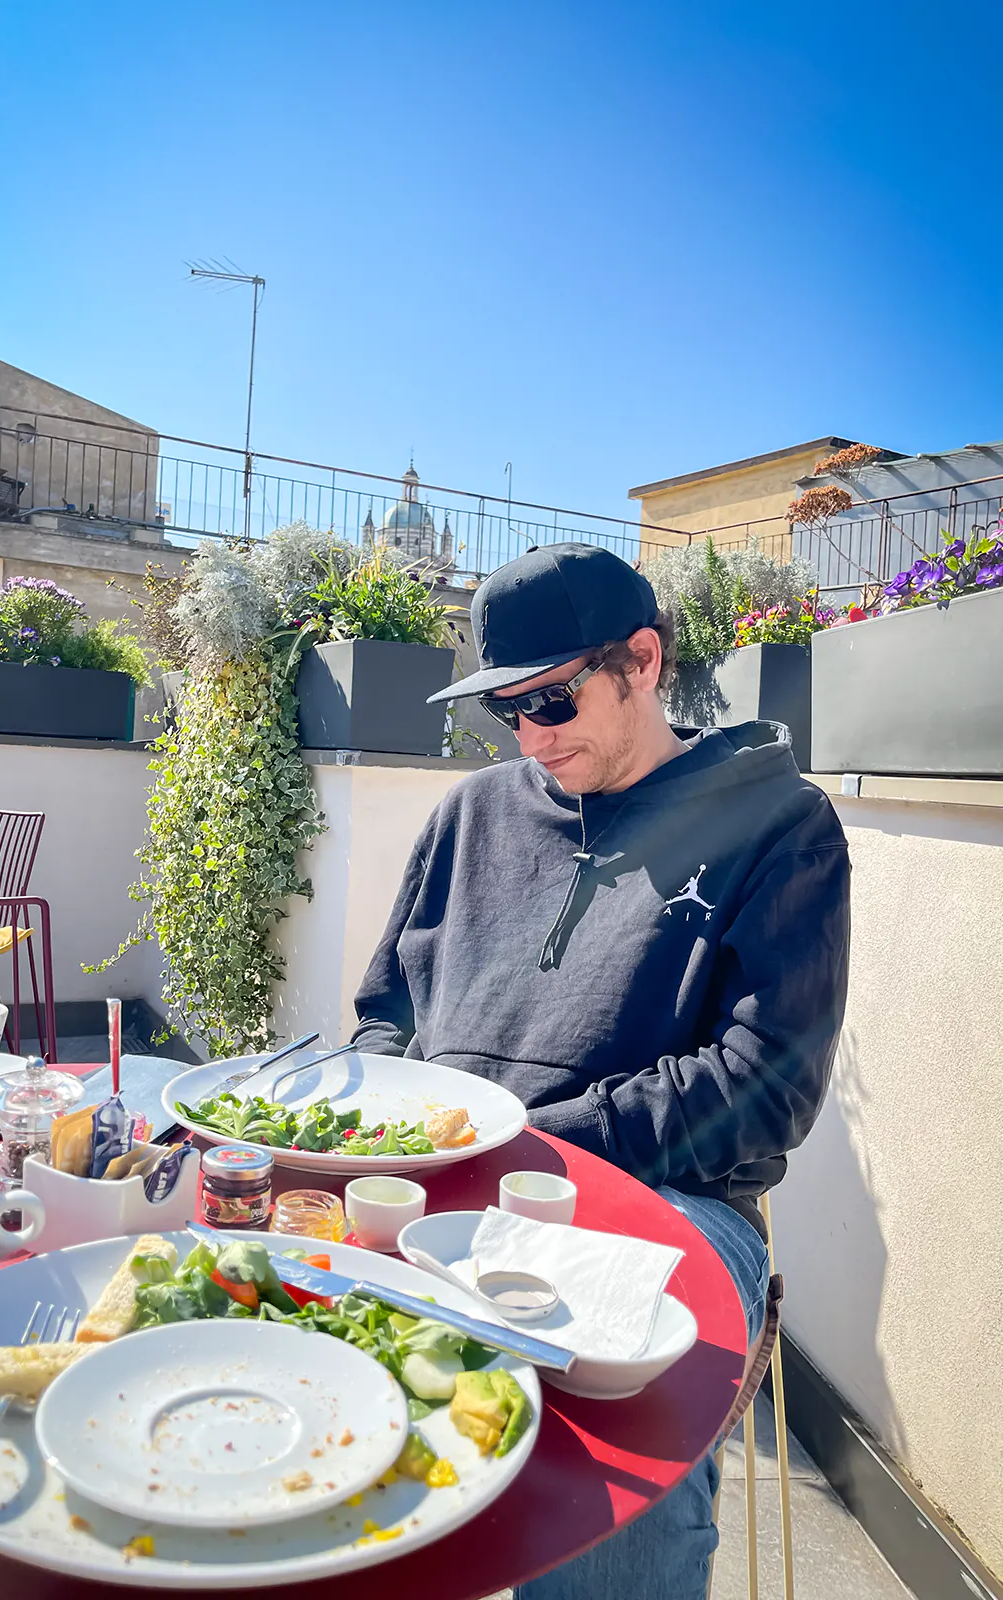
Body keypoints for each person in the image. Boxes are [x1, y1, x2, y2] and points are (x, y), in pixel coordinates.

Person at [351, 542, 851, 1600]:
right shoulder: (470, 816)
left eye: (552, 698)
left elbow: (766, 1083)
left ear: (644, 660)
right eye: (506, 710)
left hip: (663, 1198)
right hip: (447, 1175)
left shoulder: (780, 827)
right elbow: (385, 1017)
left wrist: (528, 1144)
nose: (531, 735)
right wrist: (371, 1123)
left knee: (610, 1431)